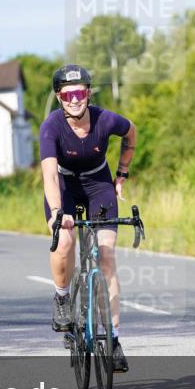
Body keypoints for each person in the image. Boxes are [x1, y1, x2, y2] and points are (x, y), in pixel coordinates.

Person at [39, 64, 137, 373]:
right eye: (67, 95)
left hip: (98, 186)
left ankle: (115, 339)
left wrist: (122, 173)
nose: (74, 99)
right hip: (65, 187)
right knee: (64, 240)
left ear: (88, 93)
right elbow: (50, 176)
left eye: (80, 92)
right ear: (59, 97)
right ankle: (62, 297)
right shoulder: (52, 126)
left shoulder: (106, 120)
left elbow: (131, 132)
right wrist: (57, 212)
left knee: (106, 258)